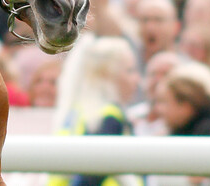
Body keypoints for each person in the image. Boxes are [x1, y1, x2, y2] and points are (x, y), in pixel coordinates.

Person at [49, 35, 142, 186]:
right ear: (109, 74)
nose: (137, 79)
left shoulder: (78, 113)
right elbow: (89, 177)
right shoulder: (109, 117)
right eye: (130, 71)